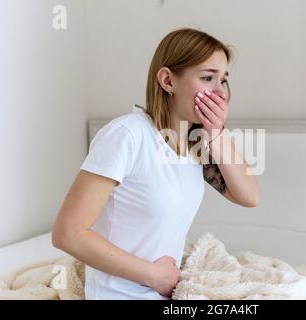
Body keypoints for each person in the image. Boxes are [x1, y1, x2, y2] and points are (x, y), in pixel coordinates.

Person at [51, 27, 259, 300]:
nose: (220, 92)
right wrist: (155, 275)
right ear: (167, 80)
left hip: (164, 292)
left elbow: (249, 196)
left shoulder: (195, 143)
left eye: (224, 80)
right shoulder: (128, 135)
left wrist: (217, 133)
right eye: (208, 77)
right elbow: (68, 233)